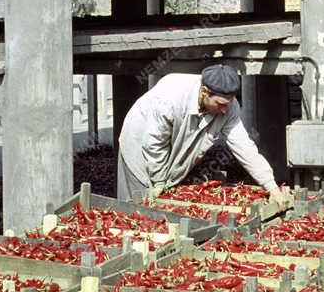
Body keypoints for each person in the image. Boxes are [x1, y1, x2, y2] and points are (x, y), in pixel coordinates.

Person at [117, 63, 291, 205]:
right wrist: (159, 181)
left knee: (163, 201)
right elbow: (154, 143)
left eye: (228, 104)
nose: (224, 110)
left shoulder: (229, 107)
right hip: (139, 145)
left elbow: (244, 146)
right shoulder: (170, 99)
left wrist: (271, 187)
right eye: (220, 104)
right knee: (138, 206)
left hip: (170, 146)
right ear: (204, 92)